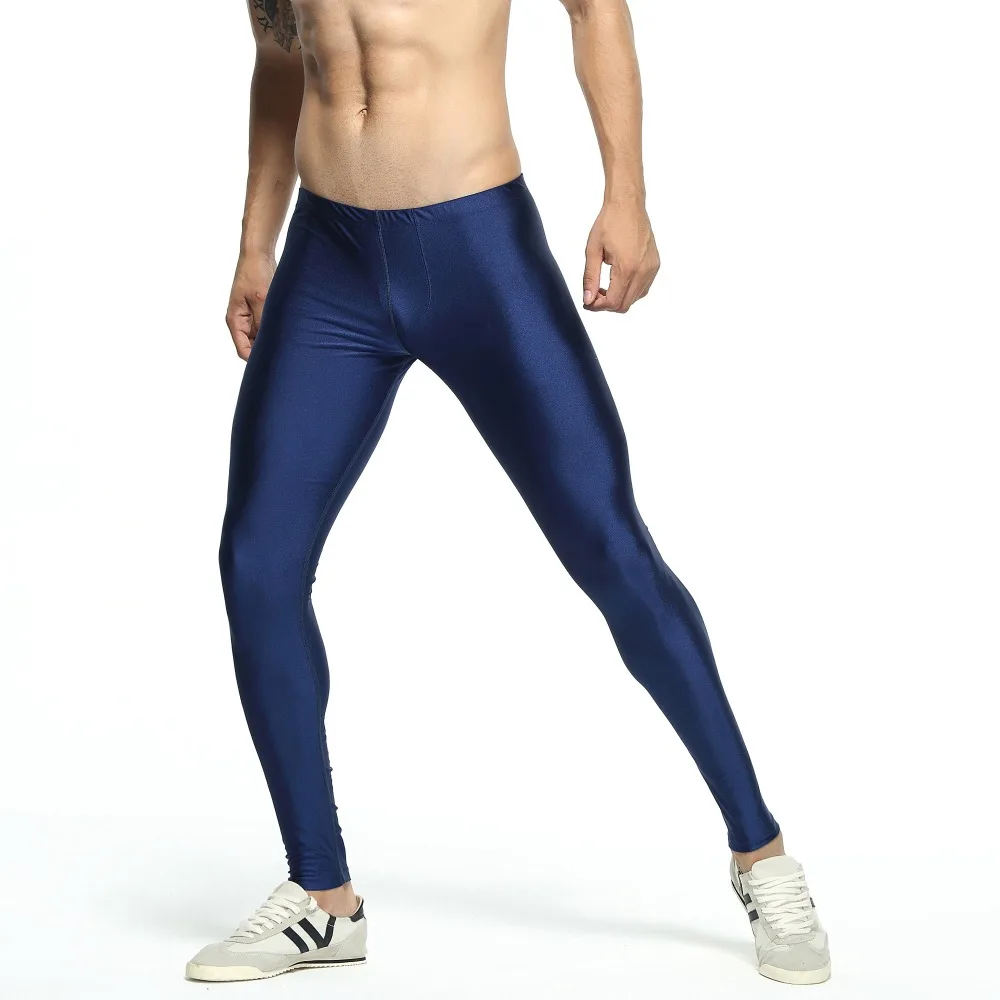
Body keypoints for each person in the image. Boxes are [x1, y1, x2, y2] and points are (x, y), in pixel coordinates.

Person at [185, 0, 831, 986]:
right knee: (256, 565)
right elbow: (282, 54)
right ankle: (322, 895)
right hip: (331, 261)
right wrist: (254, 242)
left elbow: (594, 9)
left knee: (611, 551)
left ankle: (762, 853)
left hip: (475, 250)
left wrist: (625, 193)